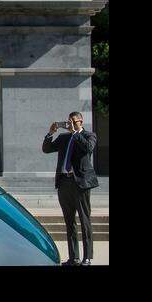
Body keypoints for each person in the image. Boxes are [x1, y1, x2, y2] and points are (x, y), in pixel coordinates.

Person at [42, 111, 99, 266]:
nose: (70, 124)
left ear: (81, 121)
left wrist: (75, 133)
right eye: (68, 121)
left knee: (84, 220)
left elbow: (88, 149)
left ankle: (87, 257)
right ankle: (73, 257)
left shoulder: (89, 136)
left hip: (80, 184)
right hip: (64, 183)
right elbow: (46, 149)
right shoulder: (63, 138)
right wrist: (50, 133)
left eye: (73, 121)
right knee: (69, 222)